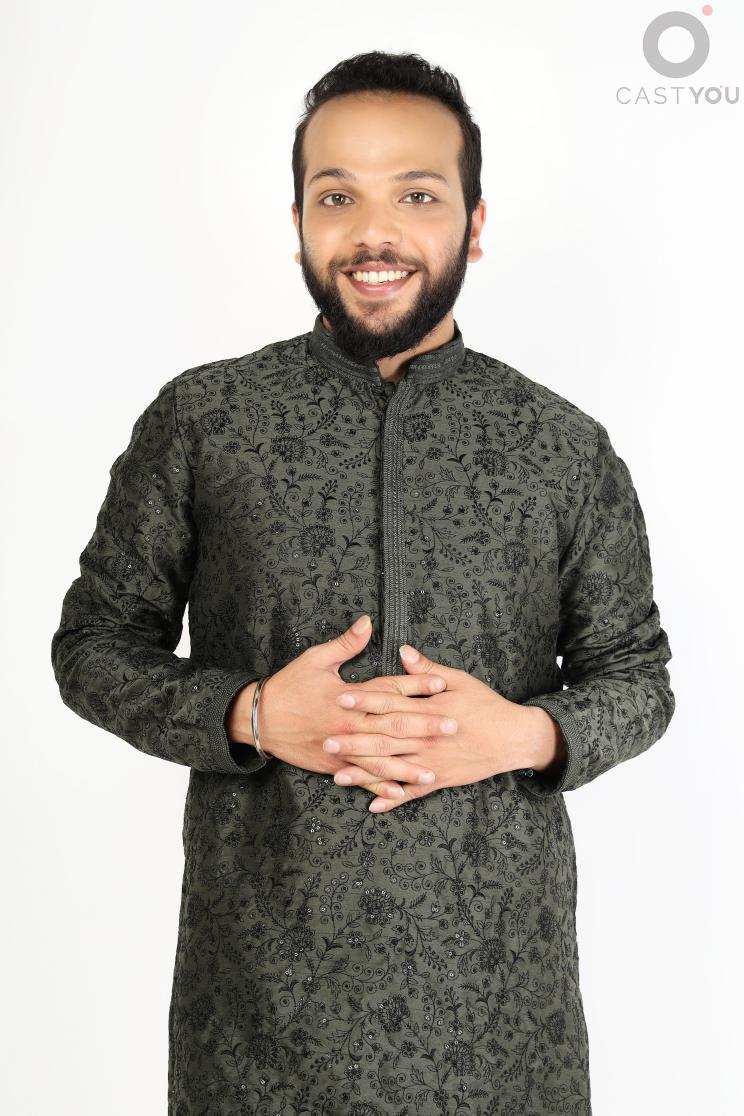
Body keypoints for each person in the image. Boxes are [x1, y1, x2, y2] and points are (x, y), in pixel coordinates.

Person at [51, 50, 675, 1116]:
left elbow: (639, 678)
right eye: (337, 196)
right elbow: (94, 647)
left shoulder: (563, 448)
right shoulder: (205, 421)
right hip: (257, 1028)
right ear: (298, 220)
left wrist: (526, 734)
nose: (373, 233)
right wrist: (250, 713)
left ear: (475, 223)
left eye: (417, 196)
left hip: (501, 1030)